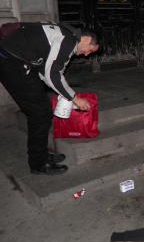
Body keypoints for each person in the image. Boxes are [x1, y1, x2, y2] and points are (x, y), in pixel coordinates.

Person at [0, 21, 99, 175]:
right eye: (89, 50)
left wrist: (65, 94)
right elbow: (53, 74)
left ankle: (42, 155)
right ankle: (38, 164)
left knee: (42, 111)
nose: (86, 55)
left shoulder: (66, 35)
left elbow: (47, 72)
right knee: (40, 114)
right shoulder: (68, 41)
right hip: (12, 63)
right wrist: (74, 98)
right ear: (86, 39)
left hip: (17, 62)